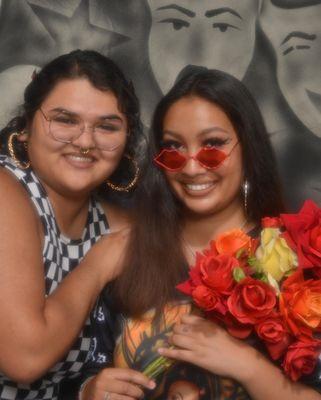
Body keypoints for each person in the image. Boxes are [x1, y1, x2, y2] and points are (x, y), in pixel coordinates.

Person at [81, 69, 321, 399]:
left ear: (247, 147)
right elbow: (80, 371)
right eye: (173, 149)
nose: (191, 167)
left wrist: (249, 366)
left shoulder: (299, 259)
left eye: (212, 145)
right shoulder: (124, 252)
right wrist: (89, 390)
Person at [0, 49, 154, 399]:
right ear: (25, 128)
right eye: (65, 120)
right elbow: (25, 358)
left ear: (126, 141)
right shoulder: (5, 191)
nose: (85, 141)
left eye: (107, 126)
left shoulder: (114, 222)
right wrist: (97, 265)